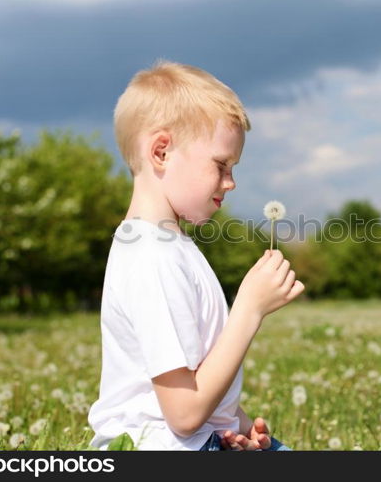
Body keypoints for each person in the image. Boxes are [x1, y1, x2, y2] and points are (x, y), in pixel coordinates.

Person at [87, 59, 305, 451]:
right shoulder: (152, 256)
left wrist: (235, 425)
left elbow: (196, 377)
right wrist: (249, 309)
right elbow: (184, 414)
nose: (231, 182)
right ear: (161, 152)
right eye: (221, 165)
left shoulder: (170, 248)